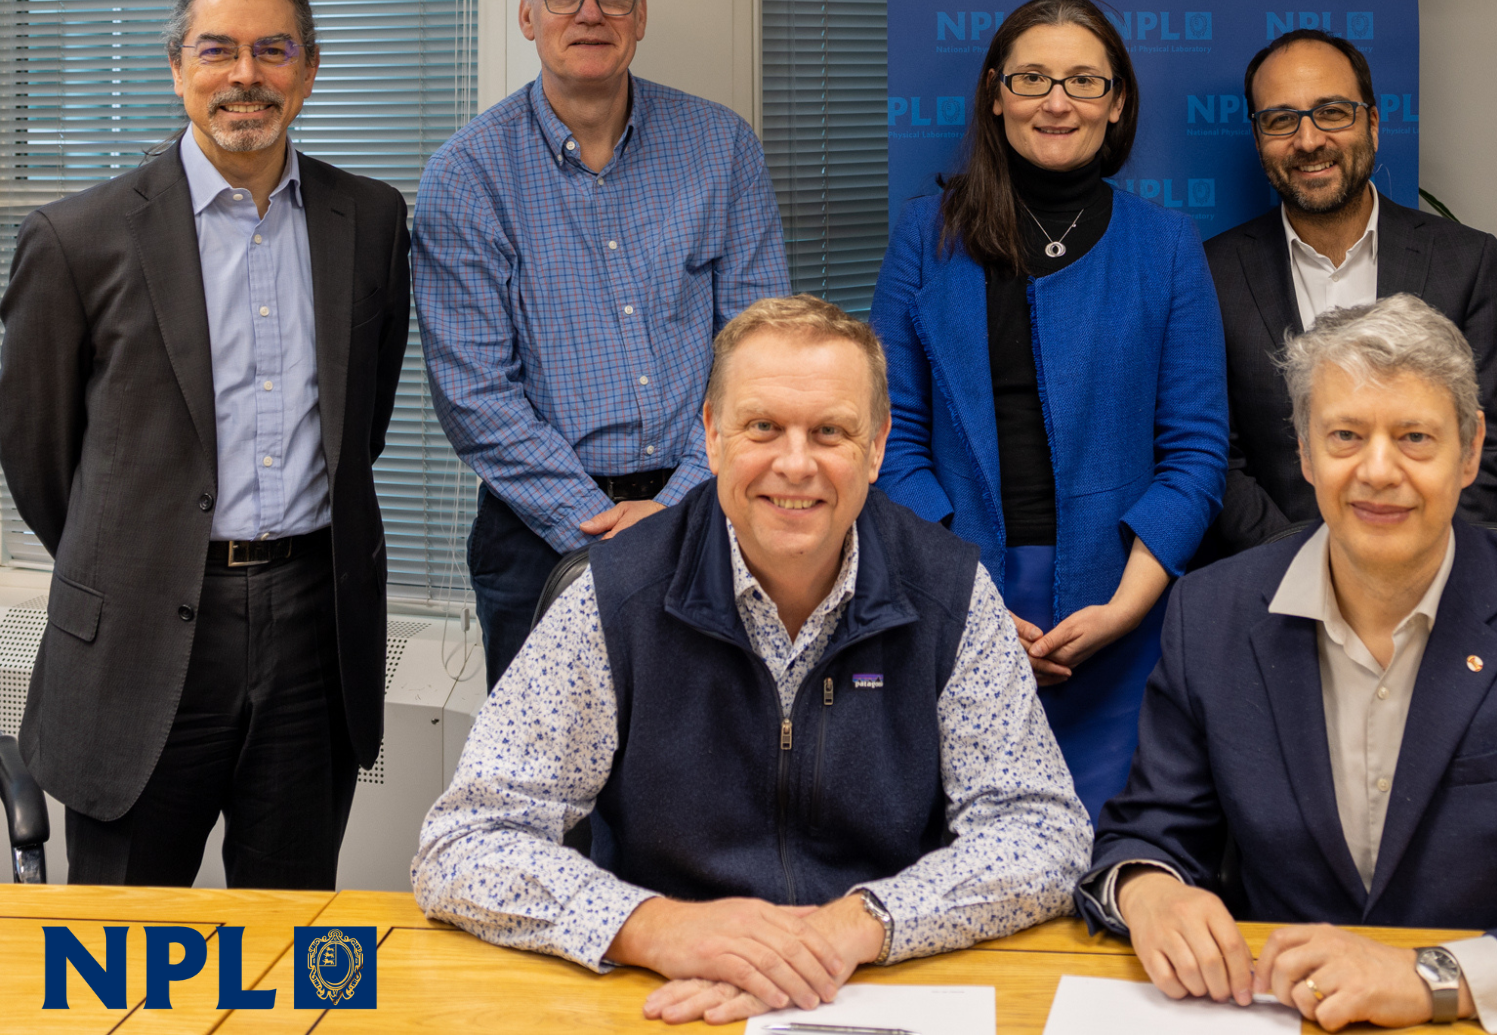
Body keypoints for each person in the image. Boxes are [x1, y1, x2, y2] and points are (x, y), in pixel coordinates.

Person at [1078, 295, 1497, 1031]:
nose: (1378, 470)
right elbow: (1147, 833)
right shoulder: (1210, 616)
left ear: (1469, 453)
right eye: (1345, 435)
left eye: (1414, 437)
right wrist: (1147, 889)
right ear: (1304, 451)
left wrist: (1440, 976)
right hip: (1279, 1013)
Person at [412, 296, 1090, 1025]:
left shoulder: (950, 590)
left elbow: (1041, 826)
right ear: (710, 434)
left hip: (881, 985)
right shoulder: (615, 595)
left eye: (830, 431)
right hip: (662, 992)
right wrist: (656, 926)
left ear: (877, 446)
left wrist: (856, 926)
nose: (794, 464)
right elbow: (463, 842)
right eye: (762, 426)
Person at [0, 0, 411, 886]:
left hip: (314, 628)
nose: (245, 75)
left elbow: (362, 425)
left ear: (308, 71)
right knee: (121, 956)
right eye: (217, 50)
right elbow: (35, 451)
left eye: (274, 51)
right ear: (178, 68)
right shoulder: (79, 237)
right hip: (140, 636)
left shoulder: (373, 220)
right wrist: (137, 549)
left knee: (289, 936)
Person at [870, 0, 1229, 822]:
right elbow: (890, 436)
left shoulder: (1167, 244)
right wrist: (971, 596)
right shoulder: (926, 235)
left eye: (1082, 80)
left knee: (1113, 859)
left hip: (1123, 606)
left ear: (1118, 102)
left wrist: (1127, 607)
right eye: (1031, 77)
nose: (1056, 101)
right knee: (960, 858)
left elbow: (1196, 451)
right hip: (954, 593)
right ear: (995, 94)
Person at [414, 0, 789, 689]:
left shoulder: (722, 149)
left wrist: (684, 502)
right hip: (536, 535)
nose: (590, 13)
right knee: (553, 797)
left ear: (640, 15)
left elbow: (759, 349)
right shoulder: (467, 176)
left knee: (704, 778)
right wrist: (601, 532)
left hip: (709, 514)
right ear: (527, 14)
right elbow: (475, 395)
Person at [1203, 29, 1497, 557]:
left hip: (1430, 580)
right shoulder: (1212, 273)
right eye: (1281, 120)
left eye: (1331, 112)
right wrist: (1306, 570)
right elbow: (1217, 458)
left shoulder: (1466, 261)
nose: (1308, 141)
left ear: (1372, 123)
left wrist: (1408, 566)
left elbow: (1493, 445)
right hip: (1271, 582)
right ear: (1259, 138)